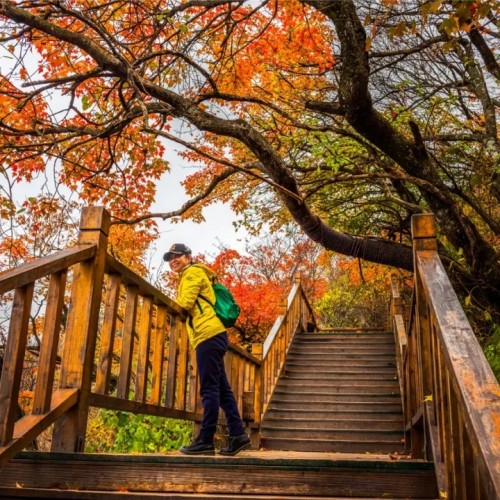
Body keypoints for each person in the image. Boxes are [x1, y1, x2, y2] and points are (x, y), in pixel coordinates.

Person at [164, 243, 251, 456]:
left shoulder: (192, 273)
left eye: (177, 256)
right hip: (214, 335)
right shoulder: (193, 273)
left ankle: (205, 439)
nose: (173, 260)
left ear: (188, 256)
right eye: (170, 258)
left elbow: (184, 303)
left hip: (207, 334)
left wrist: (169, 309)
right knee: (222, 389)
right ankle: (238, 435)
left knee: (210, 389)